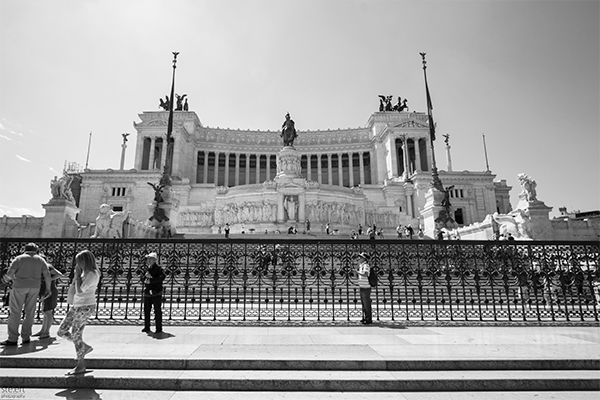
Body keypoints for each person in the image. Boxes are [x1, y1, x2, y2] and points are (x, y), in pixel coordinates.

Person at [57, 250, 100, 375]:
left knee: (76, 335)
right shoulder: (84, 274)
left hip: (85, 306)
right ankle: (84, 347)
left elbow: (80, 291)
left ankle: (81, 365)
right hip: (77, 305)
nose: (77, 264)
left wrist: (76, 276)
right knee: (62, 331)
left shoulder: (92, 274)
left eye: (79, 261)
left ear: (85, 261)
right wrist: (77, 276)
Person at [1, 243, 51, 346]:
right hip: (34, 287)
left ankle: (13, 338)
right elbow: (47, 274)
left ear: (25, 249)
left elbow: (10, 274)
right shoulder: (41, 260)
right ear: (36, 250)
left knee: (15, 312)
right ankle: (26, 336)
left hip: (19, 286)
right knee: (30, 312)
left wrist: (5, 280)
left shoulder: (19, 259)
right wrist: (48, 289)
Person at [33, 262, 64, 339]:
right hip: (44, 290)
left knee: (48, 311)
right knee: (45, 311)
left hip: (50, 290)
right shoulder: (38, 267)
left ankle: (46, 332)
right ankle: (43, 330)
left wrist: (48, 279)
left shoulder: (47, 267)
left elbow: (59, 274)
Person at [142, 252, 165, 334]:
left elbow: (162, 277)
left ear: (155, 260)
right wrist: (145, 278)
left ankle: (159, 327)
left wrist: (151, 279)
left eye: (150, 258)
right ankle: (147, 326)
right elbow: (142, 278)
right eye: (148, 258)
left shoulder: (159, 269)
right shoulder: (146, 268)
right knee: (146, 310)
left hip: (156, 292)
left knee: (157, 310)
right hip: (148, 292)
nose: (149, 260)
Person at [355, 252, 372, 325]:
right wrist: (357, 273)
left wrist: (357, 272)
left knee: (366, 303)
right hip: (362, 286)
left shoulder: (366, 265)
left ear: (364, 259)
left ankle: (368, 319)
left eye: (360, 257)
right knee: (364, 304)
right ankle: (365, 317)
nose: (359, 259)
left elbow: (366, 274)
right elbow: (359, 276)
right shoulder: (361, 265)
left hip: (366, 287)